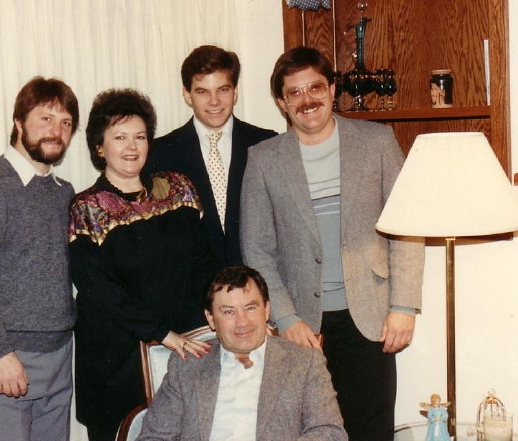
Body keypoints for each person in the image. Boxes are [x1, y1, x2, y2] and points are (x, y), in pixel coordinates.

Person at [240, 46, 425, 441]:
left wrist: (404, 306)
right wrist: (286, 319)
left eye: (315, 87)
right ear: (281, 102)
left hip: (370, 319)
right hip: (303, 327)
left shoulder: (377, 141)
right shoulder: (263, 160)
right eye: (295, 92)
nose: (307, 100)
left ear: (332, 88)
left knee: (370, 431)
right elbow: (257, 250)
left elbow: (406, 228)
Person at [69, 88, 215, 441]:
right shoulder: (86, 208)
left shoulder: (179, 189)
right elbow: (100, 291)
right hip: (117, 363)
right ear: (100, 147)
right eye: (119, 137)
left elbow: (205, 263)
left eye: (140, 136)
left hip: (184, 349)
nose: (131, 146)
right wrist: (160, 333)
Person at [0, 76, 79, 441]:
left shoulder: (64, 193)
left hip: (57, 356)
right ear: (19, 122)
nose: (57, 130)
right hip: (5, 357)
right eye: (46, 118)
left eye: (66, 122)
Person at [137, 265, 348, 441]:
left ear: (266, 310)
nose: (242, 322)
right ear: (211, 319)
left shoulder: (304, 361)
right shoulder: (187, 365)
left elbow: (329, 432)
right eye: (228, 311)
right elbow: (154, 437)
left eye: (250, 308)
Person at [148, 45, 277, 268]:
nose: (214, 101)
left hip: (255, 286)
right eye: (202, 92)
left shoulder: (266, 144)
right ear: (187, 95)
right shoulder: (161, 153)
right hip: (193, 294)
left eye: (223, 89)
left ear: (235, 92)